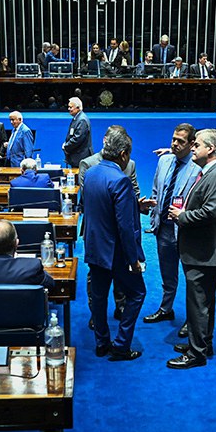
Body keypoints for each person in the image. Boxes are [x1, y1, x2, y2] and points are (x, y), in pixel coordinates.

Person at [166, 128, 216, 369]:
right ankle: (203, 343)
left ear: (210, 149)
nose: (192, 148)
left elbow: (210, 212)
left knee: (199, 304)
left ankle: (196, 354)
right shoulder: (210, 172)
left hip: (204, 253)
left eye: (197, 145)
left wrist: (183, 216)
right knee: (203, 303)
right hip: (201, 250)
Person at [83, 126, 146, 361]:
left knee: (98, 298)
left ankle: (101, 342)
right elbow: (125, 226)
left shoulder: (90, 173)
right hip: (116, 252)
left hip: (94, 247)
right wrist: (134, 260)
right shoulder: (120, 180)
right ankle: (120, 345)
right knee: (138, 293)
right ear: (123, 155)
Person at [141, 123, 201, 327]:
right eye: (173, 139)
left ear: (192, 144)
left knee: (192, 279)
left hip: (186, 230)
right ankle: (166, 309)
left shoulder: (198, 166)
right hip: (164, 228)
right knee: (167, 273)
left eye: (180, 141)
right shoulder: (165, 160)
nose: (174, 144)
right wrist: (153, 217)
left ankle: (192, 319)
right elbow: (157, 189)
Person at [62, 97, 93, 168]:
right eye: (68, 107)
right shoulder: (77, 118)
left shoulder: (82, 120)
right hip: (77, 156)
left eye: (71, 107)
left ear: (78, 108)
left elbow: (77, 138)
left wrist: (66, 146)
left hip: (81, 157)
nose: (69, 109)